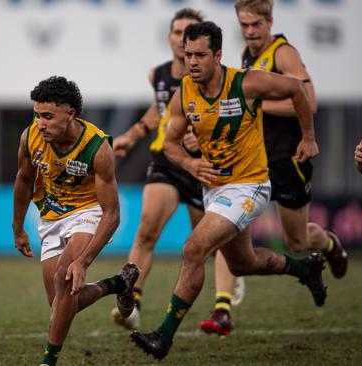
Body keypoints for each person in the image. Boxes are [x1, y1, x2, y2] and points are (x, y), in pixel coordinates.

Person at [130, 21, 327, 361]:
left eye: (200, 55)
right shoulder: (183, 95)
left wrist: (307, 137)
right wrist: (191, 166)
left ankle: (163, 336)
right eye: (188, 54)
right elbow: (171, 144)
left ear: (218, 55)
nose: (192, 62)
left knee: (194, 248)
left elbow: (297, 91)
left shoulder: (246, 82)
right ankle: (304, 269)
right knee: (243, 263)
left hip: (249, 186)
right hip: (214, 189)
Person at [110, 8, 242, 336]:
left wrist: (203, 137)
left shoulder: (217, 78)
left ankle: (222, 305)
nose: (182, 40)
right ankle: (133, 302)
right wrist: (132, 135)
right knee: (146, 230)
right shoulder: (158, 75)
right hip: (168, 162)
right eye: (177, 32)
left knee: (212, 243)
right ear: (171, 38)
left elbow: (234, 116)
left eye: (188, 34)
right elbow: (158, 113)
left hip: (206, 167)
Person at [12, 76, 140, 366]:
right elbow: (24, 180)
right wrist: (18, 226)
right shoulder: (30, 137)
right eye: (37, 115)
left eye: (47, 116)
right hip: (52, 216)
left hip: (89, 213)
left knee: (64, 277)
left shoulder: (98, 148)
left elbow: (112, 214)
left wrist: (82, 262)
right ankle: (118, 284)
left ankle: (48, 361)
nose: (40, 123)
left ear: (70, 114)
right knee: (63, 303)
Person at [235, 0, 348, 280]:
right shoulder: (246, 55)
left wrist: (255, 105)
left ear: (270, 22)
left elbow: (308, 103)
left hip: (287, 156)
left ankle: (329, 243)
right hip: (256, 158)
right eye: (244, 25)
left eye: (256, 24)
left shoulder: (283, 54)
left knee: (296, 242)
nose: (250, 31)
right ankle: (222, 303)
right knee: (231, 228)